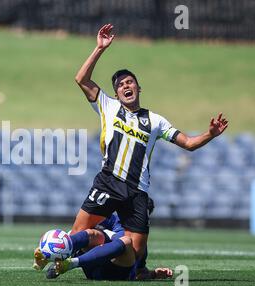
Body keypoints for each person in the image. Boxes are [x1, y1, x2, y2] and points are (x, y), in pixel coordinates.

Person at [69, 23, 228, 262]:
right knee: (76, 234)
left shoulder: (155, 121)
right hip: (109, 182)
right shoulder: (108, 107)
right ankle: (60, 259)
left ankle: (114, 265)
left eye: (130, 82)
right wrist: (99, 48)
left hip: (137, 191)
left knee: (135, 252)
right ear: (116, 94)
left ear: (138, 87)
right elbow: (81, 78)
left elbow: (189, 143)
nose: (125, 85)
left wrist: (210, 134)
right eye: (120, 84)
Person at [44, 213, 172, 281]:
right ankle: (49, 255)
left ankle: (72, 263)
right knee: (93, 233)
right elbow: (81, 229)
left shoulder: (137, 236)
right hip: (93, 266)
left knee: (127, 241)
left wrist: (154, 274)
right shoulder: (111, 218)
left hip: (117, 272)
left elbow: (139, 272)